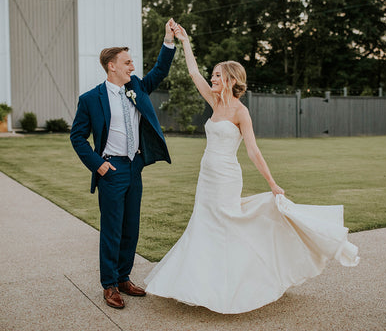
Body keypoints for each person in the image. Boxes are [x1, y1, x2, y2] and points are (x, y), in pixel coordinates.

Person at [144, 24, 360, 314]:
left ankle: (243, 281)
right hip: (206, 177)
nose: (213, 78)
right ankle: (205, 285)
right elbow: (194, 72)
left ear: (231, 79)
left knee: (227, 225)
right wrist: (185, 41)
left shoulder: (239, 111)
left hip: (226, 178)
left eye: (218, 75)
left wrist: (272, 183)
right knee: (204, 225)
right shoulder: (213, 101)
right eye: (214, 75)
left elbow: (253, 150)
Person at [70, 19, 177, 309]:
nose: (132, 67)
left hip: (134, 167)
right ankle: (109, 286)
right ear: (112, 66)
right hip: (111, 170)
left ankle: (123, 278)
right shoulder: (91, 99)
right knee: (112, 228)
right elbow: (77, 137)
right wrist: (98, 165)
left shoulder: (137, 87)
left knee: (131, 227)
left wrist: (168, 40)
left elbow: (161, 70)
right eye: (128, 62)